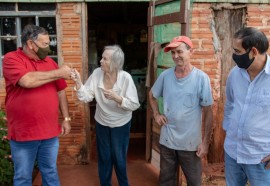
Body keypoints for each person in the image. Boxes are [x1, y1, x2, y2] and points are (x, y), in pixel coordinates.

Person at [3, 24, 72, 186]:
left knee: (50, 172)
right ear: (30, 44)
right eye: (45, 44)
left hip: (49, 133)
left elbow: (61, 91)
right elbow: (26, 81)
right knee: (23, 177)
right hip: (24, 134)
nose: (48, 49)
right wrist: (60, 72)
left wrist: (67, 118)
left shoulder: (50, 62)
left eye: (49, 43)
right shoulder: (12, 58)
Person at [71, 45, 140, 186]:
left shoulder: (125, 78)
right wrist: (78, 82)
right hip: (102, 122)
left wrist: (118, 98)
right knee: (104, 156)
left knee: (119, 158)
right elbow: (86, 97)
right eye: (101, 58)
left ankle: (124, 183)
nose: (100, 61)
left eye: (105, 59)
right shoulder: (97, 73)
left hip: (120, 124)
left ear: (115, 63)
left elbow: (134, 104)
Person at [149, 36, 213, 186]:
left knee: (194, 182)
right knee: (166, 182)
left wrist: (205, 143)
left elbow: (208, 112)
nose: (175, 56)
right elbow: (152, 95)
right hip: (167, 142)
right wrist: (156, 114)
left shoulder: (201, 78)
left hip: (190, 145)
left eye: (179, 52)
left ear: (191, 52)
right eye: (172, 53)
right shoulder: (165, 76)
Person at [223, 27, 270, 186]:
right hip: (232, 152)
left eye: (237, 51)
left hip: (261, 158)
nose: (234, 55)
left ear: (253, 51)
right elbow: (230, 103)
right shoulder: (234, 74)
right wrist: (228, 130)